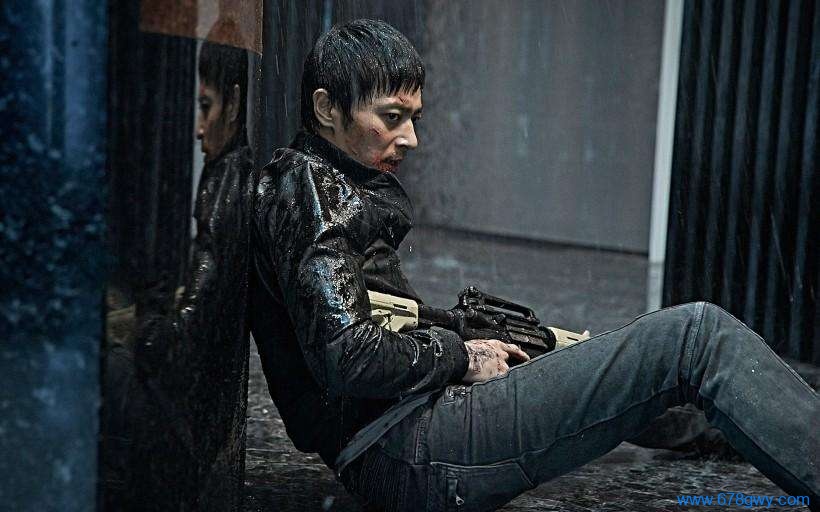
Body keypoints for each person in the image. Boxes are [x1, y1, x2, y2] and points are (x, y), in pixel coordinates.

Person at [249, 19, 819, 512]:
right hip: (406, 445)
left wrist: (465, 334)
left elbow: (363, 328)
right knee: (695, 335)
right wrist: (459, 354)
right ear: (326, 108)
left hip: (402, 439)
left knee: (601, 357)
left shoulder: (312, 183)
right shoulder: (311, 190)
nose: (411, 138)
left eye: (414, 117)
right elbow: (348, 355)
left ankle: (728, 428)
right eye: (392, 116)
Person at [100, 40, 254, 510]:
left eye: (207, 107)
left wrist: (141, 329)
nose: (199, 128)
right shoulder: (233, 175)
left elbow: (185, 330)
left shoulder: (226, 188)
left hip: (182, 425)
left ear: (233, 104)